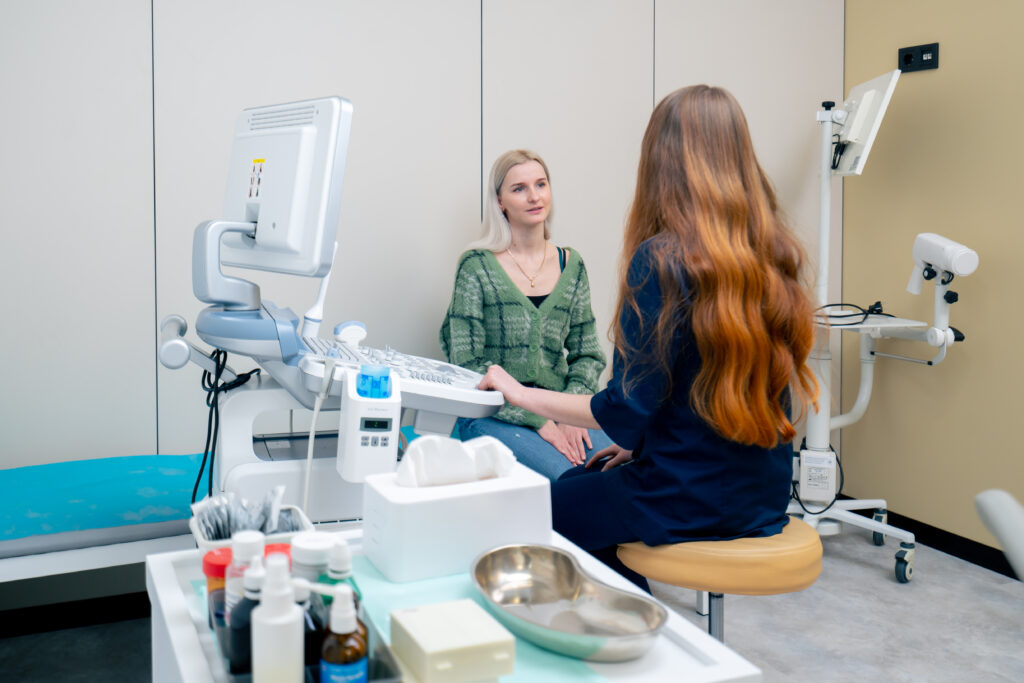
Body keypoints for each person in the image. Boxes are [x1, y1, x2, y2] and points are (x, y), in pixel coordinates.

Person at [478, 86, 819, 590]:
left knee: (537, 513)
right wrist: (639, 452)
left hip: (683, 495)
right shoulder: (772, 252)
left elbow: (626, 410)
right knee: (585, 480)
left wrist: (522, 394)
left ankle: (636, 633)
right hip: (762, 494)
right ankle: (643, 622)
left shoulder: (661, 259)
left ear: (661, 161)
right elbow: (696, 391)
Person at [439, 149, 612, 481]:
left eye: (541, 184)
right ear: (500, 201)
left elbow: (588, 355)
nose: (534, 196)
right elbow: (467, 365)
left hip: (561, 413)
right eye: (519, 188)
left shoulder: (570, 265)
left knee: (624, 470)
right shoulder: (476, 267)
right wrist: (539, 421)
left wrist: (570, 414)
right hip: (493, 414)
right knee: (568, 483)